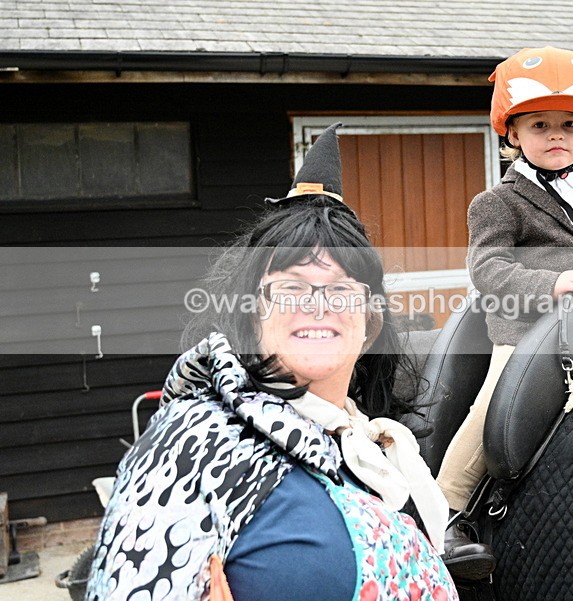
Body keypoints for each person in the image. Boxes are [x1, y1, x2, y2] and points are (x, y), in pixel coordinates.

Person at [85, 124, 457, 600]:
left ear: (371, 323)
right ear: (252, 314)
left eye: (341, 289)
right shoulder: (194, 442)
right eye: (290, 287)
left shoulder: (380, 452)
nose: (318, 305)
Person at [436, 30, 573, 578]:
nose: (557, 136)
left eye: (569, 126)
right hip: (526, 334)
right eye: (541, 125)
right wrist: (548, 284)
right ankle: (446, 514)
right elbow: (487, 270)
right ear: (514, 135)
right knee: (492, 418)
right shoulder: (497, 203)